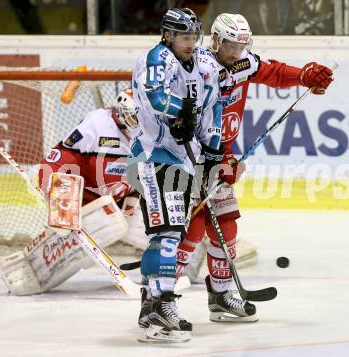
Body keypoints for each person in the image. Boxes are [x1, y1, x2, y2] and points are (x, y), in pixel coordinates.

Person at [176, 13, 334, 323]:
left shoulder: (243, 63)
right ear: (216, 40)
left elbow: (273, 72)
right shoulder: (195, 67)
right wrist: (209, 157)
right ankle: (160, 299)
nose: (236, 52)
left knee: (225, 225)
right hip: (187, 156)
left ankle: (221, 295)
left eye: (242, 46)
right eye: (231, 45)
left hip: (220, 157)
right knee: (190, 228)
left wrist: (304, 75)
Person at [128, 8, 223, 343]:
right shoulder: (156, 58)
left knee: (168, 234)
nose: (190, 42)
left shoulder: (206, 65)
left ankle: (153, 303)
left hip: (183, 159)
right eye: (184, 37)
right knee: (167, 233)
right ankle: (163, 303)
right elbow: (153, 95)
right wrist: (180, 112)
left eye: (194, 36)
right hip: (153, 155)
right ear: (167, 35)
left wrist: (213, 151)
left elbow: (216, 105)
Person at [0, 90, 147, 296]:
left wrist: (134, 199)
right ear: (121, 112)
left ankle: (162, 275)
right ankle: (34, 268)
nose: (140, 121)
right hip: (87, 204)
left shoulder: (153, 132)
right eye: (135, 116)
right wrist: (61, 198)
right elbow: (61, 156)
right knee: (102, 228)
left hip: (120, 199)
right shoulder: (98, 124)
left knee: (157, 231)